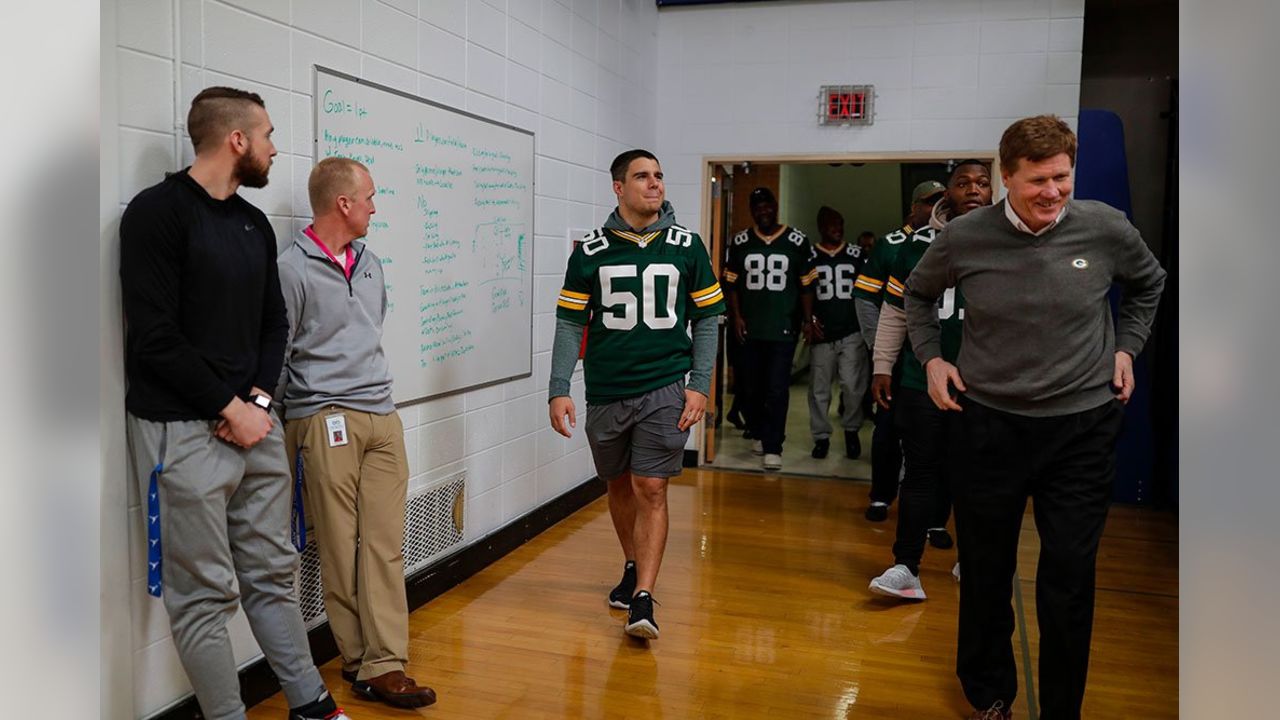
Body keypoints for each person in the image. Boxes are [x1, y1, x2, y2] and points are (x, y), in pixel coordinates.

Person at [903, 116, 1166, 720]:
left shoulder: (1104, 228)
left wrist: (1126, 346)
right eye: (1037, 180)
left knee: (1069, 578)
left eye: (1062, 177)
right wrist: (933, 359)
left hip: (1082, 428)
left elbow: (1149, 284)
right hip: (989, 424)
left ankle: (1062, 709)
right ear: (1006, 177)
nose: (1052, 192)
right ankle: (990, 694)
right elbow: (916, 295)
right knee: (987, 572)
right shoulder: (966, 237)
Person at [120, 87, 351, 720]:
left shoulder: (252, 225)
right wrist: (230, 406)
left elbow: (273, 325)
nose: (276, 148)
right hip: (182, 430)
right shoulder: (156, 214)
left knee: (272, 574)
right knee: (202, 597)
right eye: (269, 135)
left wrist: (257, 399)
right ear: (237, 140)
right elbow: (154, 337)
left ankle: (311, 705)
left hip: (256, 425)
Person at [278, 158, 436, 708]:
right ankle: (359, 662)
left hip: (381, 415)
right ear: (342, 203)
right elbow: (279, 351)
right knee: (340, 549)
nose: (375, 206)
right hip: (323, 419)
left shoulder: (371, 264)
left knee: (385, 544)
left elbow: (371, 329)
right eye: (368, 197)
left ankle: (387, 659)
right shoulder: (291, 269)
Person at [548, 149, 725, 640]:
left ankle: (644, 597)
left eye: (660, 176)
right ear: (618, 187)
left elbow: (708, 319)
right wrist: (558, 387)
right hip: (606, 388)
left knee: (652, 486)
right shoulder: (589, 251)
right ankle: (631, 564)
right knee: (619, 484)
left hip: (666, 385)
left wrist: (700, 385)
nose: (655, 184)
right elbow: (569, 324)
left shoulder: (687, 246)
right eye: (642, 176)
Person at [867, 160, 994, 600]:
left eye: (982, 182)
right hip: (922, 376)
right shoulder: (915, 244)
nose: (974, 189)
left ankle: (975, 559)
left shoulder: (1007, 240)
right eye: (964, 183)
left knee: (977, 476)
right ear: (948, 194)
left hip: (985, 383)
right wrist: (883, 365)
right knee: (920, 473)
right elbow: (896, 311)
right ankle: (906, 566)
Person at [852, 181, 945, 520]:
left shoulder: (955, 241)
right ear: (913, 208)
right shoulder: (892, 244)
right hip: (898, 356)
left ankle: (932, 512)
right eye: (928, 203)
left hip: (936, 359)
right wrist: (881, 351)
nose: (934, 208)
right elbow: (865, 297)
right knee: (889, 429)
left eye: (940, 201)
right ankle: (881, 495)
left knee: (934, 440)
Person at [724, 187, 813, 471]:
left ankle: (774, 445)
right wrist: (736, 316)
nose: (763, 211)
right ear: (752, 210)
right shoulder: (740, 241)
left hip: (782, 327)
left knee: (777, 389)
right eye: (757, 206)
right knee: (751, 388)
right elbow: (732, 284)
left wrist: (808, 319)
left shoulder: (796, 240)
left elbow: (806, 285)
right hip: (749, 328)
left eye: (767, 206)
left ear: (775, 207)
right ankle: (760, 431)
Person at [800, 206, 868, 460]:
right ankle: (821, 437)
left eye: (840, 223)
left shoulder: (856, 254)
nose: (837, 228)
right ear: (821, 227)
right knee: (819, 390)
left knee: (852, 386)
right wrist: (808, 320)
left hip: (851, 331)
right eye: (831, 224)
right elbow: (804, 291)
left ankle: (851, 430)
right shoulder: (810, 256)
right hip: (823, 334)